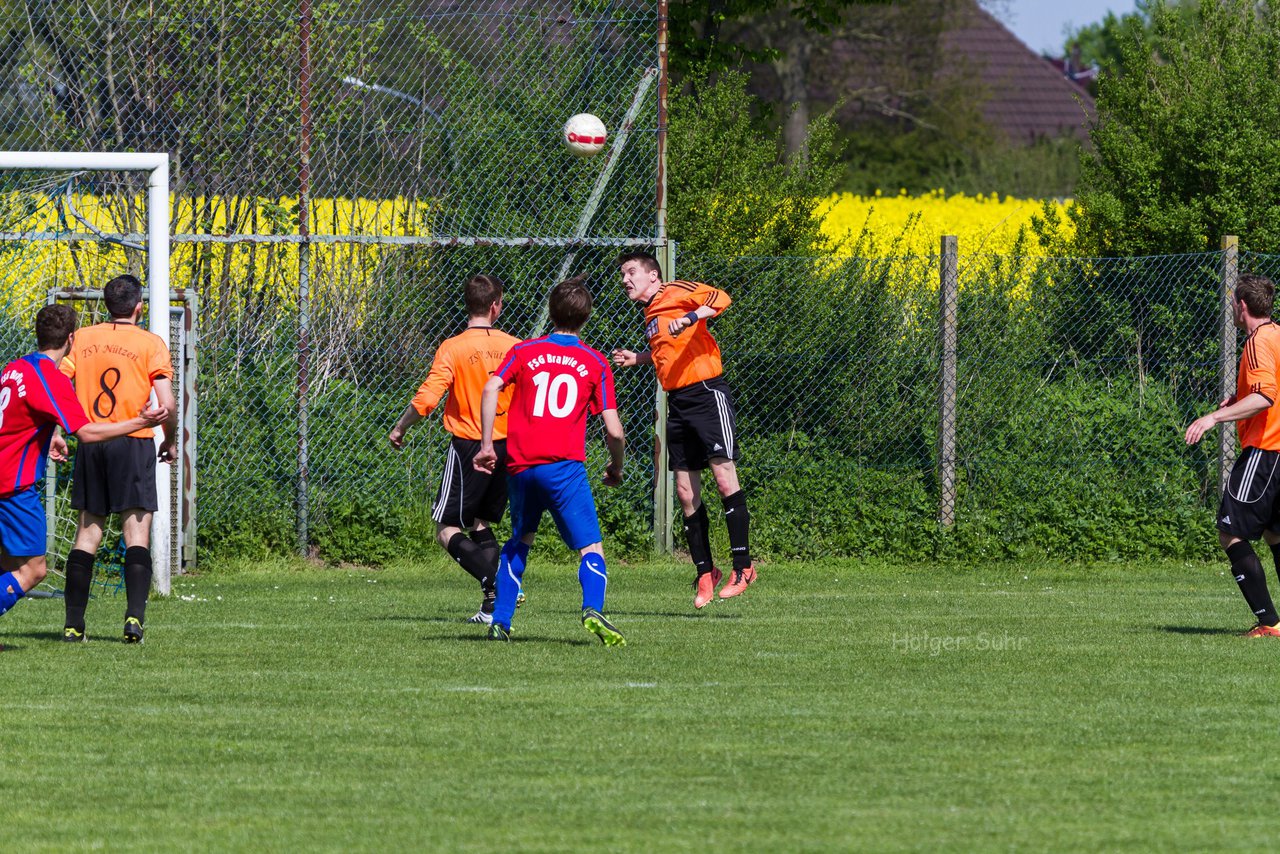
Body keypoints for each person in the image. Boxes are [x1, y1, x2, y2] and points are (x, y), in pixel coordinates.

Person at [474, 275, 626, 645]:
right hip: (564, 468)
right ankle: (593, 609)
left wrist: (486, 445)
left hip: (522, 466)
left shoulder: (524, 351)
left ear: (550, 311)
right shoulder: (595, 361)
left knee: (519, 541)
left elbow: (492, 386)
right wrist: (616, 466)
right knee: (590, 548)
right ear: (586, 316)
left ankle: (501, 621)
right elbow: (615, 430)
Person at [0, 305, 167, 630]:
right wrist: (138, 421)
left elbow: (20, 417)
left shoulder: (15, 368)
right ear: (71, 339)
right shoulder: (48, 376)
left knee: (6, 562)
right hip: (13, 485)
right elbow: (88, 432)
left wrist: (46, 436)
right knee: (33, 570)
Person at [611, 251, 756, 610]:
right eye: (622, 276)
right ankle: (706, 572)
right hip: (677, 402)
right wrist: (638, 358)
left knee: (724, 479)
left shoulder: (676, 291)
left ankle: (744, 567)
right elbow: (666, 351)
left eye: (631, 273)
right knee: (685, 493)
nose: (625, 280)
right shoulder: (650, 313)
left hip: (706, 393)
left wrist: (692, 316)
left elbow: (720, 298)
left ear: (653, 276)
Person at [388, 273, 520, 624]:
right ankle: (492, 607)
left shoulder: (454, 347)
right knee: (480, 522)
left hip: (471, 446)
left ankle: (500, 582)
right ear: (495, 306)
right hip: (510, 445)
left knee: (446, 528)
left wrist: (401, 426)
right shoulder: (515, 345)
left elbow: (428, 398)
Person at [57, 275, 179, 644]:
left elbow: (59, 384)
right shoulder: (150, 343)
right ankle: (134, 620)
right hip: (134, 439)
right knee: (136, 533)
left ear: (106, 305)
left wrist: (57, 430)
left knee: (87, 534)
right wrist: (170, 442)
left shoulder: (83, 339)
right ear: (139, 306)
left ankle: (74, 624)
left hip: (92, 441)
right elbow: (167, 403)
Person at [1186, 272, 1280, 637]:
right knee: (1274, 534)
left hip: (1266, 451)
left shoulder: (1257, 342)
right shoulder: (1277, 335)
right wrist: (1239, 399)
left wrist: (1213, 417)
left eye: (1233, 305)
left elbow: (1266, 397)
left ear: (1241, 306)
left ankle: (1269, 623)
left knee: (1231, 532)